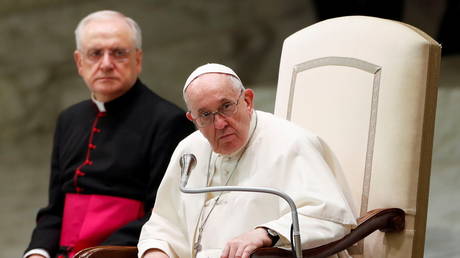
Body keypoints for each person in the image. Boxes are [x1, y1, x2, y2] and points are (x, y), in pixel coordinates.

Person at [138, 63, 357, 258]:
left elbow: (328, 216)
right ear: (192, 119)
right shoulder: (189, 150)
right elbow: (163, 224)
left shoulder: (291, 142)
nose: (220, 123)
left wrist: (265, 233)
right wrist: (156, 250)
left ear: (248, 101)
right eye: (205, 115)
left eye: (226, 106)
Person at [24, 10, 195, 258]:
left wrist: (102, 253)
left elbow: (166, 213)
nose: (106, 63)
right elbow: (56, 208)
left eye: (118, 53)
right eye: (95, 53)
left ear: (138, 59)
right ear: (79, 62)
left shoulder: (168, 121)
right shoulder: (69, 119)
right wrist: (37, 252)